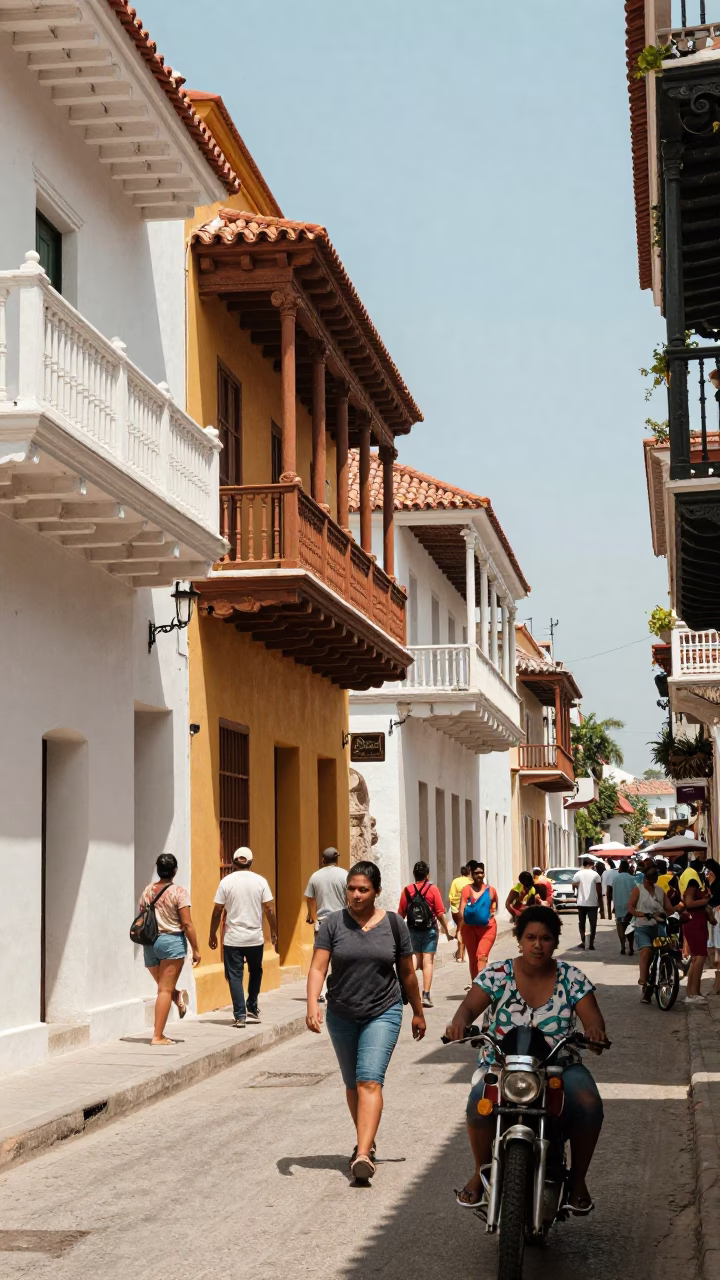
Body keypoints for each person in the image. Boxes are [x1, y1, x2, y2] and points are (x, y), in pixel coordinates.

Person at [447, 905, 608, 1214]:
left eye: (546, 938)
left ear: (555, 942)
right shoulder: (497, 973)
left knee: (588, 1103)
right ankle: (481, 1173)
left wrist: (595, 1034)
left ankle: (578, 1180)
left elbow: (593, 1023)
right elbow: (468, 1008)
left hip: (558, 1065)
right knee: (477, 1104)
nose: (538, 944)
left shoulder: (572, 978)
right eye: (530, 937)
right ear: (519, 940)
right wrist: (458, 1023)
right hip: (501, 1065)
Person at [306, 860, 426, 1182]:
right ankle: (367, 1141)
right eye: (352, 889)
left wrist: (417, 1011)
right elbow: (318, 967)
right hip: (342, 1013)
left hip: (383, 1010)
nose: (356, 895)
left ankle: (361, 1155)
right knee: (351, 1084)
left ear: (376, 892)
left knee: (369, 1080)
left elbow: (407, 973)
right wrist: (311, 1005)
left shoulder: (394, 924)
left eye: (363, 889)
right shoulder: (332, 924)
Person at [208, 847, 278, 1027]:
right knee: (256, 971)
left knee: (234, 976)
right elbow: (269, 909)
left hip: (233, 939)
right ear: (251, 862)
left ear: (232, 862)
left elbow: (217, 911)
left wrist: (212, 934)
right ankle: (252, 1007)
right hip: (255, 938)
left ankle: (240, 1015)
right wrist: (274, 930)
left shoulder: (226, 882)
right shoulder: (261, 881)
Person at [139, 853, 201, 1046]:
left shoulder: (147, 891)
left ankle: (175, 995)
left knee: (162, 987)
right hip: (171, 942)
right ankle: (157, 1036)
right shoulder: (179, 892)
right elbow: (187, 923)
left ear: (158, 870)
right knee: (164, 990)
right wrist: (196, 949)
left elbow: (143, 917)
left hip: (150, 943)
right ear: (175, 871)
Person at [398, 860, 452, 1008]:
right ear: (427, 875)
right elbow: (440, 913)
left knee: (414, 959)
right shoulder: (433, 890)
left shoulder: (407, 890)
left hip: (412, 929)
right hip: (430, 929)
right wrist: (447, 931)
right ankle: (426, 995)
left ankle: (407, 987)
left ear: (414, 875)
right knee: (428, 962)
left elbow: (401, 913)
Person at [305, 846, 348, 1003]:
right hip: (342, 921)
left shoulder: (315, 877)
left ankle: (321, 992)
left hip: (323, 922)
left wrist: (312, 916)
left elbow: (310, 898)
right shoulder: (345, 875)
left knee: (320, 958)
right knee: (341, 956)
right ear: (337, 859)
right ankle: (338, 988)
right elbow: (350, 897)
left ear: (323, 860)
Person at [627, 862, 675, 1002]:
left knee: (665, 951)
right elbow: (630, 906)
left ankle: (664, 979)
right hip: (643, 927)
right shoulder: (638, 890)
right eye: (652, 876)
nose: (654, 878)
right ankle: (643, 979)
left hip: (659, 926)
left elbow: (669, 908)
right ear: (646, 877)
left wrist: (668, 913)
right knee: (646, 951)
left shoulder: (660, 891)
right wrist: (639, 914)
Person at [459, 862, 499, 981]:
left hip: (487, 928)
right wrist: (459, 929)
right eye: (476, 873)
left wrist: (489, 913)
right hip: (469, 928)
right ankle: (475, 985)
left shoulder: (491, 890)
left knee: (481, 956)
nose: (479, 875)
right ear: (471, 874)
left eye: (481, 872)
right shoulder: (467, 890)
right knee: (472, 958)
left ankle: (481, 986)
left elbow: (494, 907)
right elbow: (462, 909)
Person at [683, 857, 711, 1003]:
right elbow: (689, 902)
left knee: (696, 958)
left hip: (697, 921)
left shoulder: (698, 885)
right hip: (694, 922)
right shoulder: (693, 883)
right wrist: (708, 900)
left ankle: (693, 991)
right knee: (699, 956)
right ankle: (693, 993)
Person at [572, 859, 603, 950]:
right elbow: (598, 888)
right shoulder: (595, 874)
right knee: (593, 924)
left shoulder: (578, 874)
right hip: (593, 903)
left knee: (582, 923)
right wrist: (600, 900)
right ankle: (591, 944)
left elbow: (573, 884)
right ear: (591, 864)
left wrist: (576, 891)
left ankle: (583, 942)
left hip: (581, 903)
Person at [448, 863, 473, 961]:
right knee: (463, 931)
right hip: (468, 910)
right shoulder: (471, 882)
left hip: (456, 911)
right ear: (469, 873)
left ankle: (460, 954)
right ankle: (461, 954)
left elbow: (451, 896)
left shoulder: (455, 881)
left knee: (460, 930)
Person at [613, 859, 637, 956]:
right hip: (629, 907)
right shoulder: (632, 879)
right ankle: (630, 947)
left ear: (620, 868)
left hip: (618, 906)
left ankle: (622, 946)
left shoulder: (615, 879)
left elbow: (611, 893)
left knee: (620, 926)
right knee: (630, 927)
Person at [704, 859, 720, 996]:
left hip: (719, 914)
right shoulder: (710, 881)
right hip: (714, 914)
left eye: (709, 871)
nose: (707, 874)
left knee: (718, 949)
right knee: (716, 947)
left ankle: (717, 984)